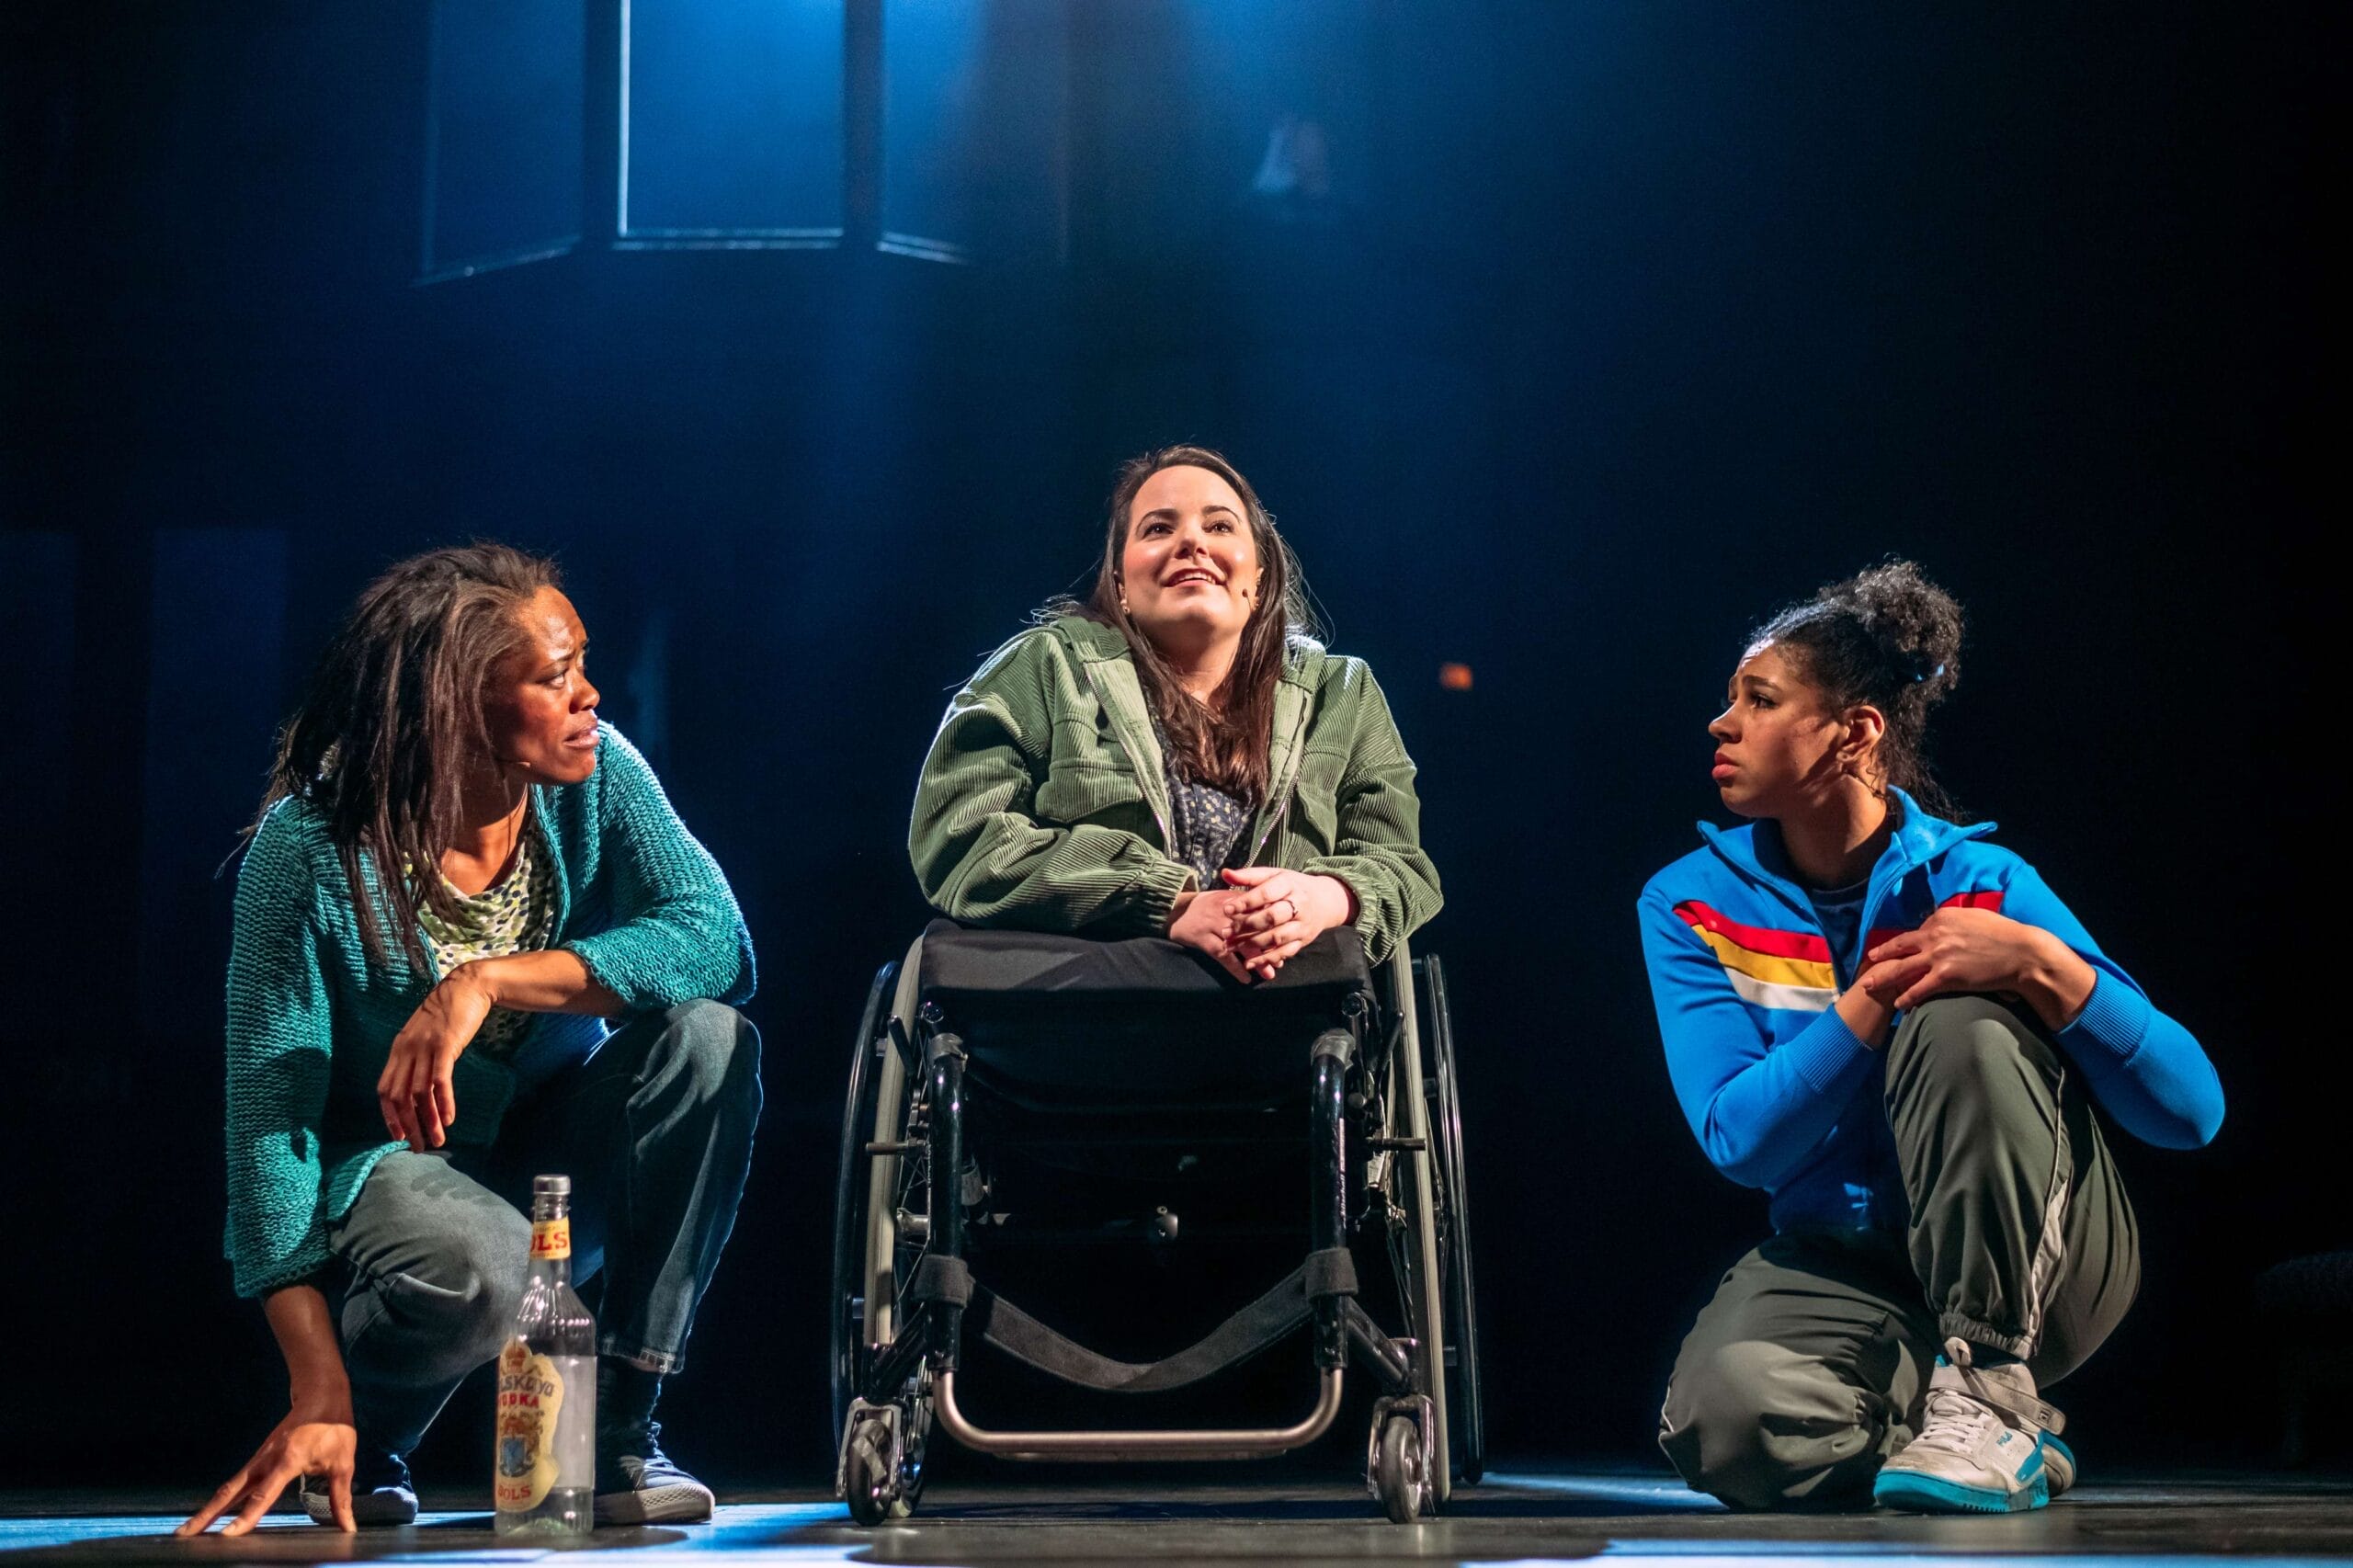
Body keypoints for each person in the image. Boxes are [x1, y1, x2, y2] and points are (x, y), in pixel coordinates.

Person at [180, 545, 759, 1537]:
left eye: (581, 665)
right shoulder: (310, 845)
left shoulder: (595, 774)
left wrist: (482, 981)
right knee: (489, 1266)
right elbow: (268, 1129)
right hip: (390, 1164)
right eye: (554, 676)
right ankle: (361, 1431)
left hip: (550, 1147)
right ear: (457, 707)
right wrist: (317, 1387)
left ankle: (620, 1426)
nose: (589, 696)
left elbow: (717, 942)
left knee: (710, 1040)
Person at [1638, 560, 2222, 1515]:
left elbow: (2191, 1112)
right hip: (1845, 1263)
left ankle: (1989, 1385)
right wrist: (1869, 998)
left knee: (1954, 1015)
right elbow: (1740, 1141)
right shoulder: (1688, 903)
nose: (1721, 722)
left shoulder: (1983, 883)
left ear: (1854, 732)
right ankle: (1970, 1426)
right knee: (1730, 1429)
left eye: (1759, 699)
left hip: (2047, 1265)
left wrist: (2040, 964)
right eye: (1731, 698)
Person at [909, 444, 1440, 979]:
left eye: (1220, 526)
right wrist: (1169, 904)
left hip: (1288, 1015)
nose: (1192, 542)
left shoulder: (1341, 693)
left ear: (1258, 579)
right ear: (1120, 584)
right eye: (1159, 528)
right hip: (1080, 1012)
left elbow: (1400, 865)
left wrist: (1322, 897)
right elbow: (959, 838)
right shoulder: (1045, 666)